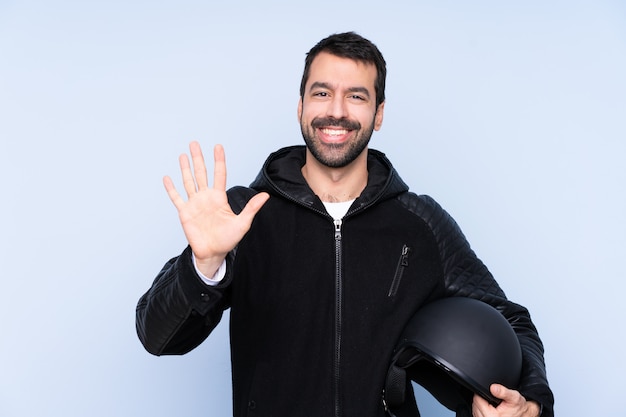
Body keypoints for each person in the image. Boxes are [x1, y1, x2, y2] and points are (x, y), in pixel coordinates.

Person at [136, 32, 554, 417]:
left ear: (379, 113)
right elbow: (157, 337)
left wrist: (530, 400)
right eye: (322, 93)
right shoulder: (244, 214)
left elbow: (511, 320)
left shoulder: (420, 222)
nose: (336, 111)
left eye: (356, 96)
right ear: (300, 106)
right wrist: (204, 265)